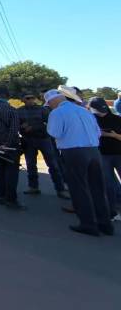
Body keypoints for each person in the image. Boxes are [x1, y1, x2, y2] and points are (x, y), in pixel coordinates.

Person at [45, 89, 113, 236]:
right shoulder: (84, 111)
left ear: (52, 101)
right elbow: (98, 132)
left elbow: (54, 133)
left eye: (49, 103)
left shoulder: (56, 113)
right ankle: (105, 224)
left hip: (74, 151)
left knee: (79, 188)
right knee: (97, 188)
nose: (49, 106)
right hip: (94, 150)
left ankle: (88, 224)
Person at [17, 94, 69, 199]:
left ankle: (60, 189)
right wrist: (22, 128)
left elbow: (49, 123)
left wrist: (33, 127)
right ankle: (33, 187)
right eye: (27, 98)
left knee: (53, 165)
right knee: (31, 165)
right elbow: (16, 124)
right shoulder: (19, 111)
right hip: (28, 140)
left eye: (32, 97)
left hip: (43, 139)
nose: (30, 100)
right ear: (23, 99)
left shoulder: (42, 109)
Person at [87, 97, 121, 221]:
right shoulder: (91, 119)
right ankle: (112, 210)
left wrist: (110, 134)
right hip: (102, 154)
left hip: (118, 153)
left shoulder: (117, 119)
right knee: (108, 184)